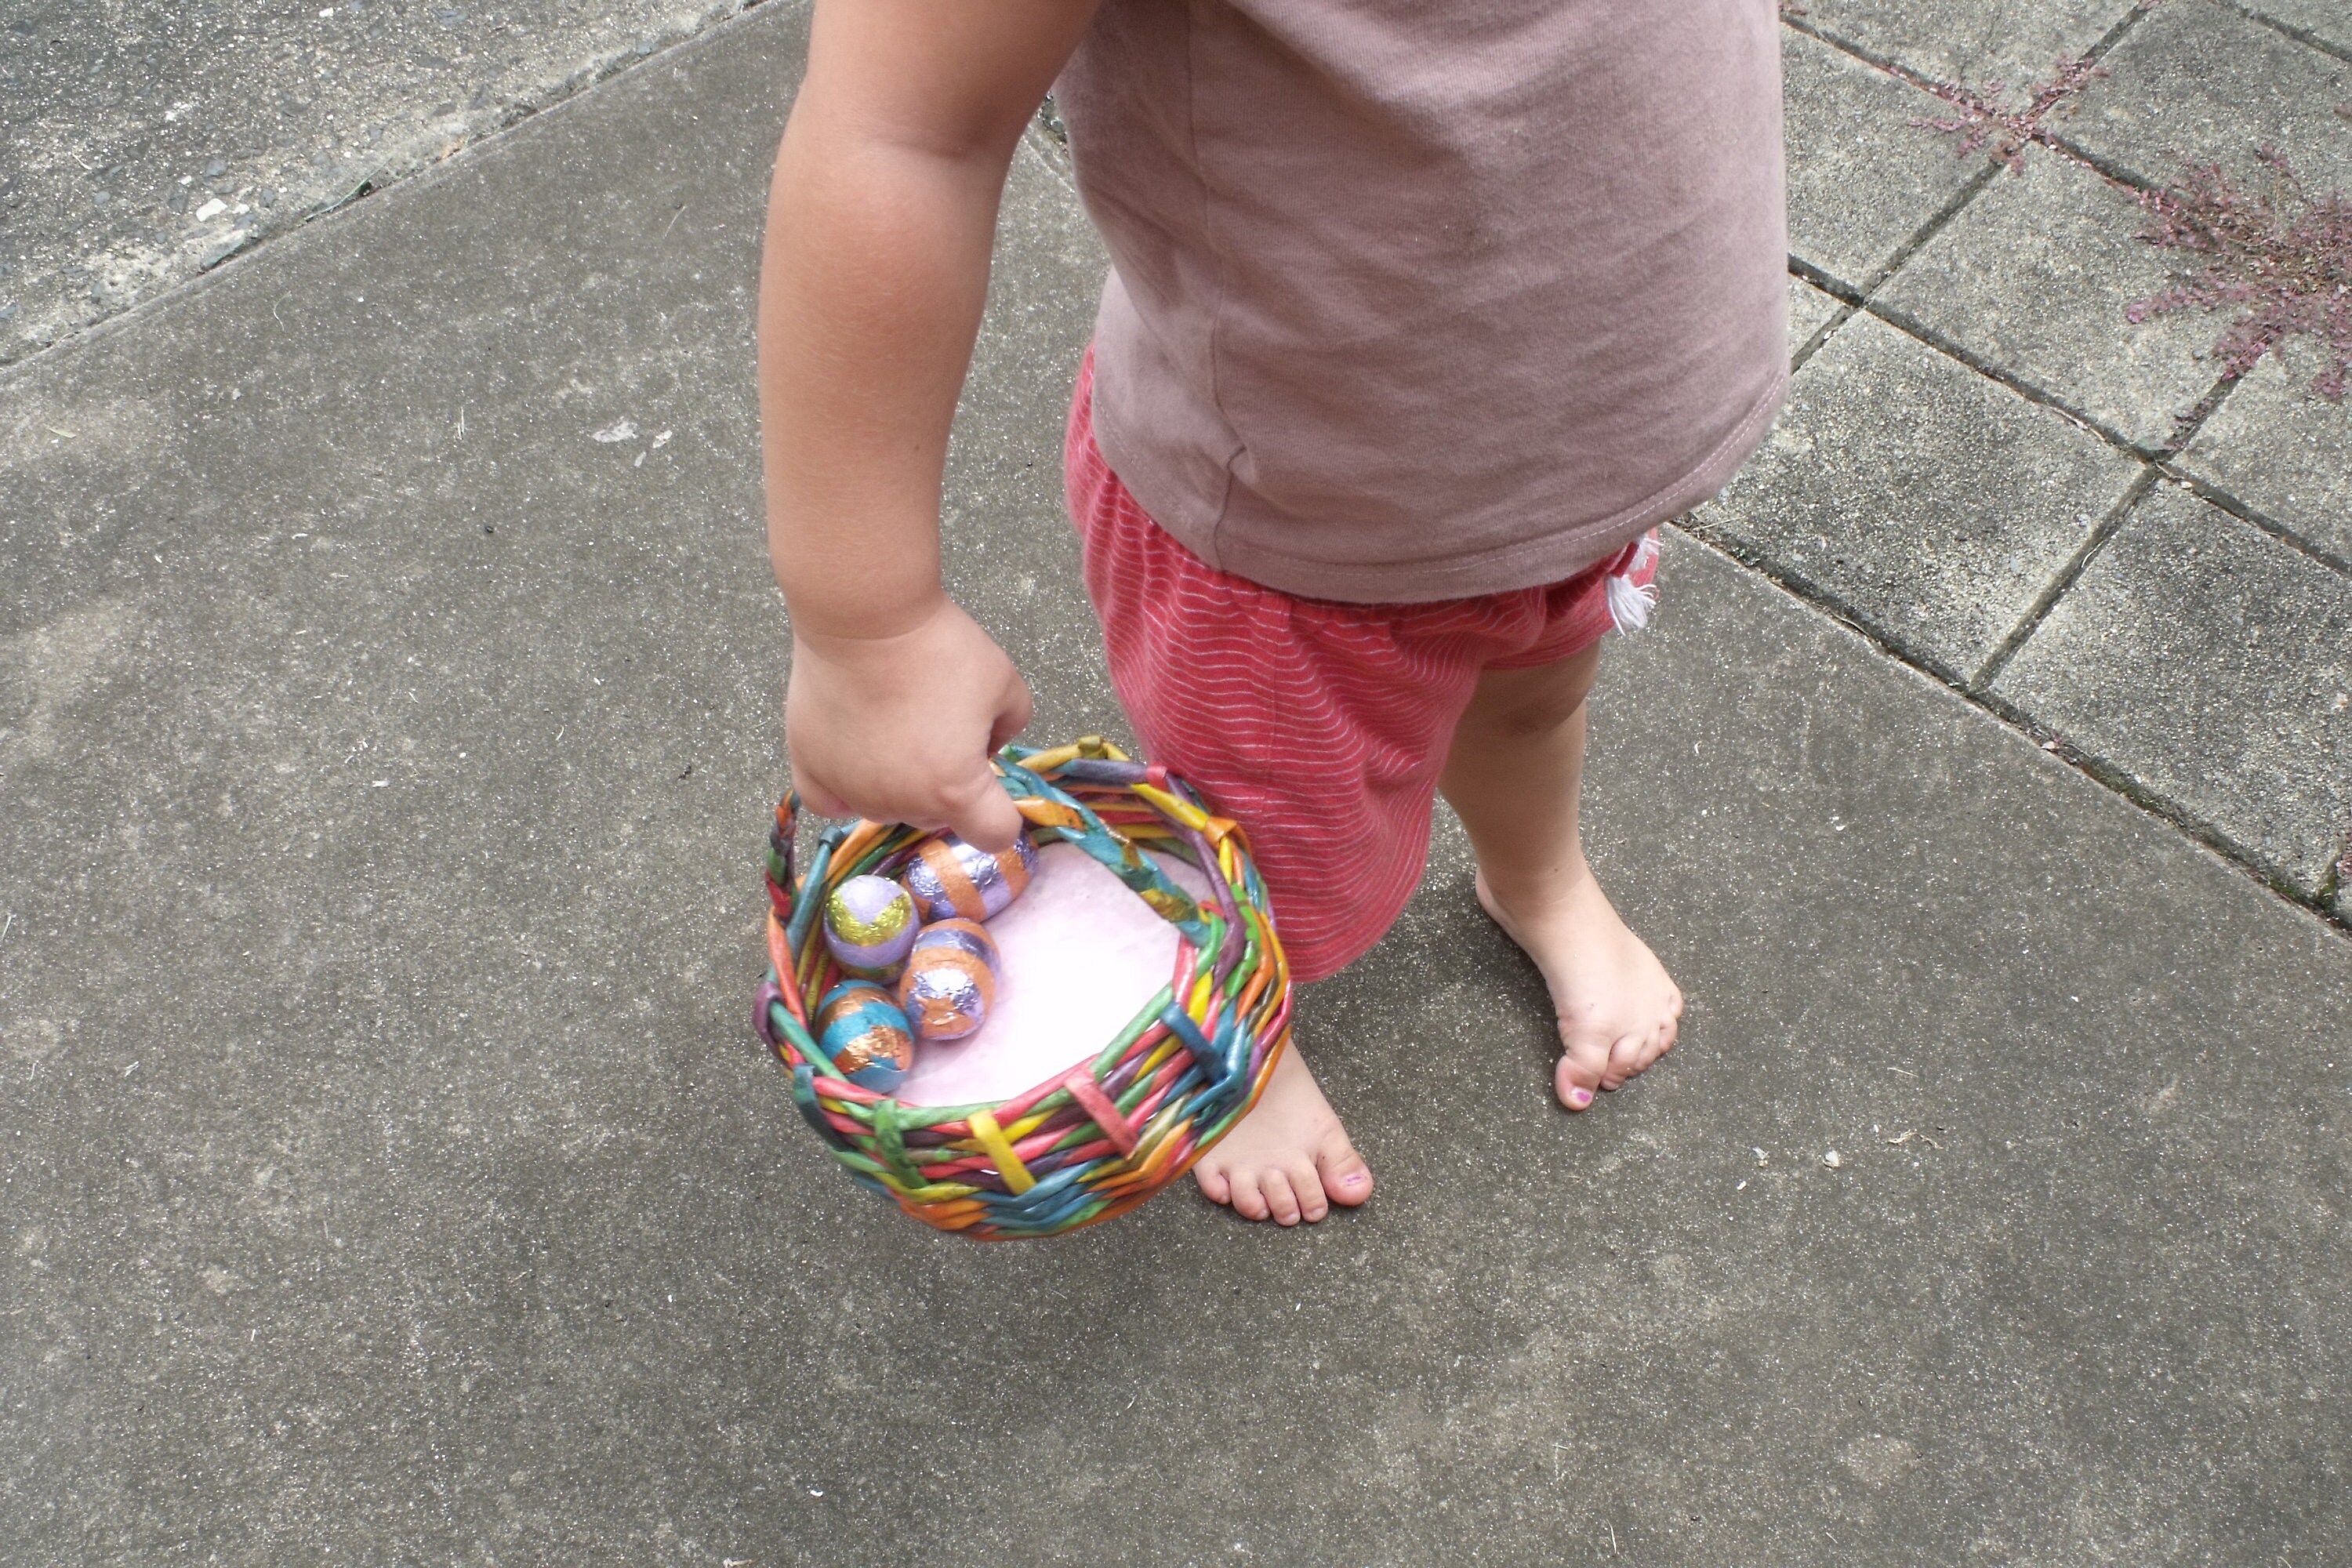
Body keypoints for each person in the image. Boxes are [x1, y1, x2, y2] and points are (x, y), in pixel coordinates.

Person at [759, 0, 1788, 1225]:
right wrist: (867, 625)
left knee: (1533, 707)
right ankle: (1239, 1035)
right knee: (1267, 851)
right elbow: (901, 129)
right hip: (1294, 541)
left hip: (1574, 476)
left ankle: (1537, 879)